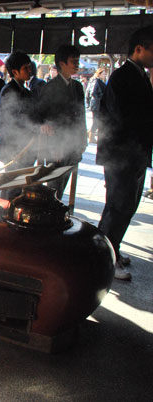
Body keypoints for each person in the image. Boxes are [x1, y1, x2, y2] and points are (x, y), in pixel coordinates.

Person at [97, 25, 153, 281]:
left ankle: (113, 249)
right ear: (139, 49)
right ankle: (103, 258)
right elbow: (122, 118)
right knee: (117, 207)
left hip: (135, 154)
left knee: (127, 206)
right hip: (122, 155)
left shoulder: (141, 75)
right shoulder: (122, 77)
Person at [36, 45, 87, 200]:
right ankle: (49, 213)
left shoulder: (77, 87)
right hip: (56, 146)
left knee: (63, 183)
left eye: (78, 61)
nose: (77, 64)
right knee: (54, 186)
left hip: (72, 143)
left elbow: (81, 115)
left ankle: (56, 210)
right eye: (74, 61)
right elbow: (41, 118)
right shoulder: (50, 87)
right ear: (62, 64)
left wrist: (82, 140)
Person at [0, 51, 37, 200]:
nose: (29, 70)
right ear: (14, 72)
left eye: (29, 67)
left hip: (25, 148)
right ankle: (4, 217)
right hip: (13, 149)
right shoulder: (8, 91)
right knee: (10, 188)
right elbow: (10, 122)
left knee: (19, 188)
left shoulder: (26, 92)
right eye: (26, 68)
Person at [86, 67, 107, 143]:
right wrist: (100, 99)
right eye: (104, 73)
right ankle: (91, 136)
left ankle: (91, 134)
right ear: (100, 74)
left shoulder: (93, 80)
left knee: (96, 120)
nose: (105, 75)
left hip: (94, 103)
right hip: (97, 104)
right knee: (97, 120)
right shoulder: (97, 81)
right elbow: (93, 93)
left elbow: (88, 93)